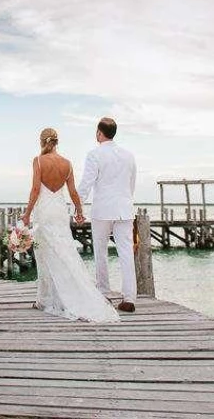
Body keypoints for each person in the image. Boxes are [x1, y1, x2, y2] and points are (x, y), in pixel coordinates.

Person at [21, 128, 119, 323]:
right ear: (57, 142)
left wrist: (27, 213)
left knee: (46, 255)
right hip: (59, 210)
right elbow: (73, 191)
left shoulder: (39, 161)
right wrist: (79, 211)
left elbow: (34, 190)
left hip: (45, 211)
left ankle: (45, 299)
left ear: (42, 142)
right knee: (65, 251)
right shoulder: (67, 164)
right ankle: (62, 294)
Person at [77, 117, 137, 312]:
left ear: (99, 133)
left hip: (103, 210)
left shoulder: (94, 154)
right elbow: (131, 184)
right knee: (126, 253)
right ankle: (129, 298)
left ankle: (103, 293)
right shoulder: (129, 155)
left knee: (100, 251)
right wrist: (126, 201)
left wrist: (78, 208)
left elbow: (86, 183)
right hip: (125, 209)